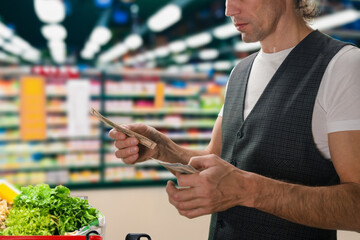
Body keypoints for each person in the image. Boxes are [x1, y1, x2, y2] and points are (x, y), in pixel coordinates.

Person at [109, 0, 360, 239]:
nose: (229, 9)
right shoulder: (240, 72)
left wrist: (247, 190)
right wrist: (163, 148)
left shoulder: (342, 66)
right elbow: (216, 159)